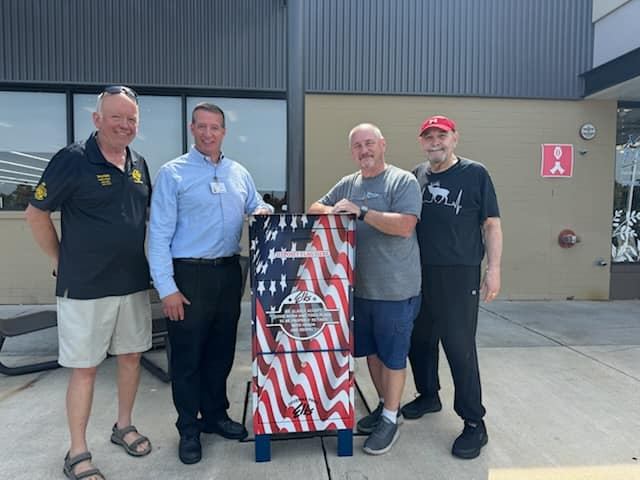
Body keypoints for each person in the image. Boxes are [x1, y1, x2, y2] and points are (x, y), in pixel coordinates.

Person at [25, 86, 153, 480]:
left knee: (131, 358)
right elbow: (36, 213)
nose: (125, 125)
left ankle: (124, 425)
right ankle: (77, 450)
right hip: (84, 288)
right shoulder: (72, 160)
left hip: (131, 282)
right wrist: (61, 261)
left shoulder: (139, 163)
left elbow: (144, 219)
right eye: (116, 116)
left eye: (131, 119)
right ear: (97, 119)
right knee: (85, 369)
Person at [148, 102, 273, 465]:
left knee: (220, 352)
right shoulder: (173, 173)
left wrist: (263, 210)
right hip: (188, 275)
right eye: (201, 126)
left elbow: (255, 203)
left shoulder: (238, 172)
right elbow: (158, 234)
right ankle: (189, 427)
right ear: (192, 129)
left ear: (223, 132)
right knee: (187, 357)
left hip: (228, 272)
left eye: (214, 127)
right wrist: (167, 288)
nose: (207, 133)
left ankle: (216, 415)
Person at [308, 123, 422, 455]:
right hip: (358, 291)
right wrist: (334, 212)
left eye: (369, 143)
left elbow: (405, 226)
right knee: (371, 353)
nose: (364, 151)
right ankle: (388, 407)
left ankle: (390, 419)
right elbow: (316, 206)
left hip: (395, 290)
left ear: (383, 145)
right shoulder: (349, 184)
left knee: (393, 355)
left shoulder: (403, 181)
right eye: (358, 146)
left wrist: (363, 212)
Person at [402, 115, 502, 459]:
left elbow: (491, 224)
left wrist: (494, 270)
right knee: (419, 339)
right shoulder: (417, 175)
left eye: (441, 136)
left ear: (454, 138)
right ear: (422, 142)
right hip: (419, 272)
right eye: (428, 137)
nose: (435, 142)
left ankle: (475, 423)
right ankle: (428, 395)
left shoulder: (475, 174)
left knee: (459, 347)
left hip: (459, 274)